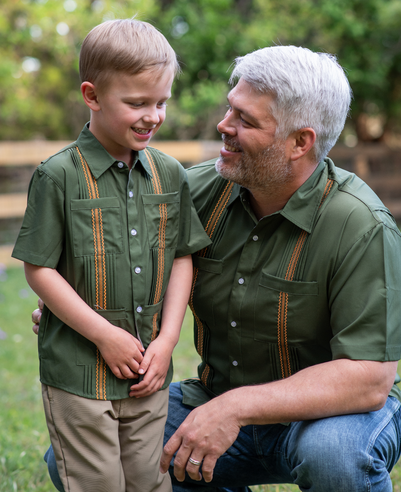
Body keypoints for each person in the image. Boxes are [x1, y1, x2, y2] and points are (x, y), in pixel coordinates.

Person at [32, 45, 401, 492]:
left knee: (334, 457)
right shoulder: (189, 192)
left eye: (245, 121)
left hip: (334, 416)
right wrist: (83, 310)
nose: (223, 126)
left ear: (299, 142)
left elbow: (367, 380)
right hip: (215, 397)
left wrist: (236, 408)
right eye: (231, 109)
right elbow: (120, 255)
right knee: (75, 460)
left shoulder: (362, 227)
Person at [14, 18, 210, 492]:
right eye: (137, 103)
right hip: (78, 372)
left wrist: (166, 341)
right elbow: (39, 269)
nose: (153, 116)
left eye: (161, 102)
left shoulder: (170, 175)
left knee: (151, 479)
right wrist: (104, 336)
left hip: (148, 370)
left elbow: (183, 255)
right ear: (92, 95)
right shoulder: (57, 176)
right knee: (97, 482)